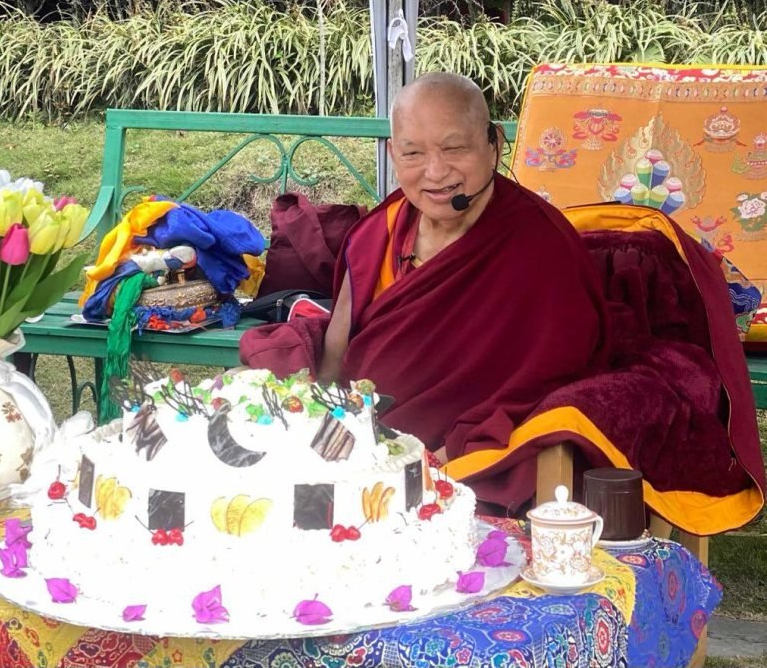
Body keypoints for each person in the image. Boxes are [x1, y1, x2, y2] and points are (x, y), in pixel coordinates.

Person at [242, 73, 765, 532]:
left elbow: (550, 374)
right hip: (364, 441)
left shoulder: (538, 244)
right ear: (393, 154)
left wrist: (432, 464)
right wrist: (323, 428)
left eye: (455, 149)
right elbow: (339, 352)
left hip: (458, 460)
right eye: (413, 153)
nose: (436, 172)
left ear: (493, 145)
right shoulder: (379, 231)